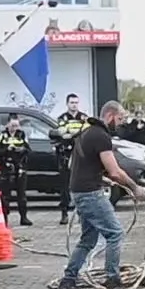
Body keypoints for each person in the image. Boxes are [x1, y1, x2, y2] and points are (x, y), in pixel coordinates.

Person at [58, 100, 145, 289]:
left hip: (79, 191)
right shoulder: (101, 136)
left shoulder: (86, 132)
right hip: (90, 194)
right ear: (110, 116)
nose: (121, 124)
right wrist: (135, 188)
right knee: (115, 234)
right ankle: (113, 284)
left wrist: (100, 177)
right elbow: (115, 171)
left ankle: (67, 282)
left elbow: (80, 165)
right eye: (120, 119)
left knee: (88, 240)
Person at [51, 93, 93, 225]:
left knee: (80, 185)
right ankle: (64, 213)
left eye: (76, 102)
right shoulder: (62, 118)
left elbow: (86, 133)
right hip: (65, 155)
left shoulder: (84, 118)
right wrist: (75, 133)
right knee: (64, 185)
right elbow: (62, 133)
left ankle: (81, 214)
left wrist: (72, 133)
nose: (74, 105)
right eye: (72, 103)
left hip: (80, 155)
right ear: (67, 104)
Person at [0, 114, 33, 226]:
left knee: (22, 195)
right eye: (13, 125)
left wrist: (21, 149)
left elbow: (29, 150)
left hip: (20, 168)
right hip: (6, 168)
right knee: (5, 196)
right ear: (7, 124)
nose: (15, 128)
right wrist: (6, 149)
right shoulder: (2, 135)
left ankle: (24, 217)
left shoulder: (22, 135)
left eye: (17, 125)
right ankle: (4, 219)